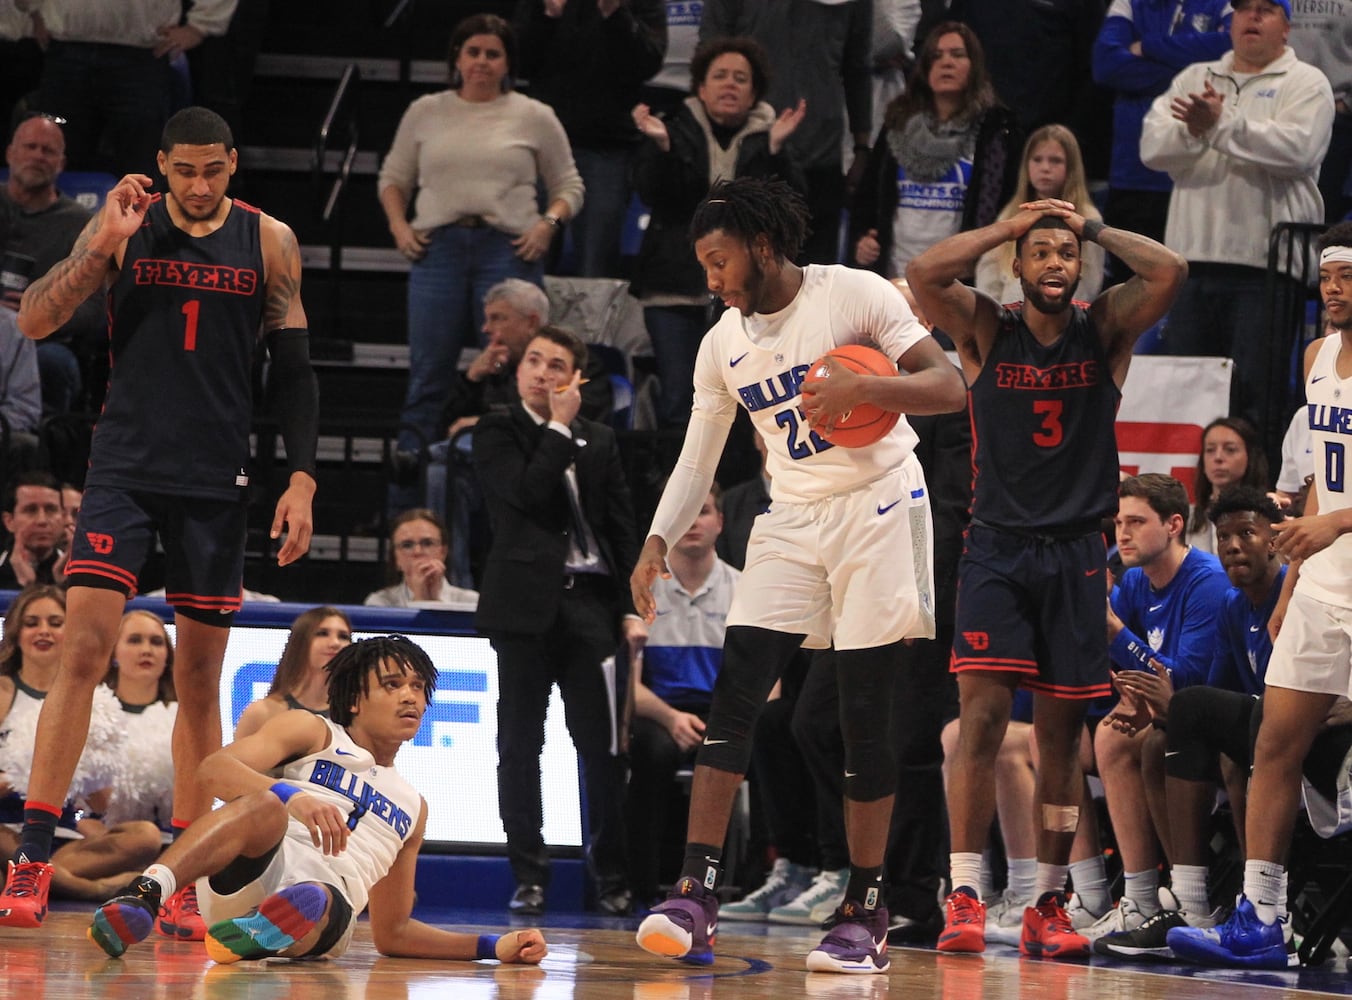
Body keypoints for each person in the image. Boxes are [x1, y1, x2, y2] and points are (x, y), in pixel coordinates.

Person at [632, 175, 967, 975]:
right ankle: (696, 889)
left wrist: (870, 386)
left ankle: (866, 908)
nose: (710, 280)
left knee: (862, 714)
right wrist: (654, 539)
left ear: (762, 245)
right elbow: (696, 455)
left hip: (881, 505)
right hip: (791, 515)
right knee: (737, 693)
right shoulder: (723, 343)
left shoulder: (850, 295)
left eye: (718, 262)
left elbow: (951, 387)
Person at [0, 105, 319, 933]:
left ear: (233, 164)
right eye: (185, 170)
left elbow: (293, 372)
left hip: (220, 475)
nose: (200, 184)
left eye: (214, 170)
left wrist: (304, 478)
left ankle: (180, 874)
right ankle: (33, 859)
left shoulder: (271, 241)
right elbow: (35, 320)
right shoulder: (122, 228)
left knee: (199, 684)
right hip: (126, 468)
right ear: (161, 164)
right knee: (82, 653)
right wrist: (102, 244)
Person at [906, 197, 1187, 958]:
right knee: (982, 723)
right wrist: (1011, 224)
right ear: (1019, 266)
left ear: (1082, 265)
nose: (1056, 264)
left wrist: (1089, 223)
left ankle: (1048, 903)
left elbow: (1171, 269)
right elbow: (924, 271)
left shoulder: (1105, 329)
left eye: (1066, 253)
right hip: (997, 548)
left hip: (1073, 554)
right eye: (1042, 253)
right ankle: (965, 892)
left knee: (1062, 742)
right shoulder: (985, 328)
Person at [86, 635, 549, 966]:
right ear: (352, 702)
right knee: (264, 805)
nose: (410, 696)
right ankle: (146, 896)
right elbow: (213, 769)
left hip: (325, 915)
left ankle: (256, 935)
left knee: (321, 896)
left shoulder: (414, 806)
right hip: (251, 873)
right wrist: (291, 797)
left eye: (417, 687)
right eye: (392, 685)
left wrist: (491, 947)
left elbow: (393, 933)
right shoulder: (313, 730)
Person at [1165, 221, 1352, 970]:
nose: (1333, 289)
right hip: (1325, 579)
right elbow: (1316, 487)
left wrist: (1333, 522)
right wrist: (1294, 582)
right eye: (1328, 277)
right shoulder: (1316, 357)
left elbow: (1330, 507)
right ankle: (1262, 917)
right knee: (1276, 743)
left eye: (1346, 276)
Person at [472, 325, 645, 918]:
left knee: (603, 750)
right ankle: (530, 875)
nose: (543, 373)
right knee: (520, 747)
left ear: (576, 378)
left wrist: (629, 605)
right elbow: (525, 492)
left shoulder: (599, 439)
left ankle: (614, 875)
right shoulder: (497, 429)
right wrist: (555, 428)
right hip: (522, 609)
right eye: (535, 362)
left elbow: (620, 528)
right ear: (519, 371)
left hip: (591, 608)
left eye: (557, 365)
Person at [378, 13, 584, 505]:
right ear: (456, 58)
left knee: (520, 375)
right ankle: (409, 517)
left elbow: (569, 187)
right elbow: (392, 178)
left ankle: (518, 498)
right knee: (428, 379)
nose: (482, 62)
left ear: (507, 62)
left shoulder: (533, 114)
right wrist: (399, 227)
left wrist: (546, 225)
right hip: (439, 250)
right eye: (473, 52)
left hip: (507, 250)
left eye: (493, 53)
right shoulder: (425, 111)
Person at [1093, 486, 1285, 960]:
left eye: (1247, 534)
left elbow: (1193, 683)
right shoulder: (1234, 605)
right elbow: (1209, 694)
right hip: (1258, 731)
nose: (1233, 546)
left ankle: (1264, 908)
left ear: (1277, 542)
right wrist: (1149, 701)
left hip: (1304, 740)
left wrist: (1121, 638)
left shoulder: (1242, 589)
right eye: (1224, 537)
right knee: (1153, 736)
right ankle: (1176, 900)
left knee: (1218, 741)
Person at [1139, 0, 1334, 424]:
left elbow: (1297, 150)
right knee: (1187, 392)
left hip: (1266, 269)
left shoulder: (1307, 82)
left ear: (1286, 26)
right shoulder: (1194, 77)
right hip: (1191, 265)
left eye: (1266, 9)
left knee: (1252, 397)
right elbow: (1151, 148)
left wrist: (1217, 125)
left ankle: (1254, 489)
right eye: (1244, 9)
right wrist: (1194, 128)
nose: (1252, 17)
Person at [630, 35, 806, 428]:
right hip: (672, 288)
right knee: (680, 397)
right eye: (720, 76)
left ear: (754, 91)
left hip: (746, 296)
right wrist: (661, 147)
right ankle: (682, 489)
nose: (730, 85)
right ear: (700, 87)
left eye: (741, 79)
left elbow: (789, 214)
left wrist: (775, 151)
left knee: (743, 400)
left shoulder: (771, 136)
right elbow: (650, 192)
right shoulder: (671, 129)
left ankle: (734, 490)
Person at [1085, 474, 1227, 943]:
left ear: (1173, 525)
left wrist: (1115, 634)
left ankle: (1167, 898)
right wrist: (1126, 686)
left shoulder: (1205, 580)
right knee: (1068, 738)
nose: (1121, 533)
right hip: (1166, 719)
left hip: (1214, 726)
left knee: (1117, 738)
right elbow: (1124, 674)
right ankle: (1116, 898)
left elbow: (1185, 681)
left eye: (1136, 522)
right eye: (1119, 522)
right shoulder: (1133, 584)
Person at [0, 586, 162, 903]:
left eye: (56, 623)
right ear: (17, 632)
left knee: (145, 836)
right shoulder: (3, 691)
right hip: (7, 831)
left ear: (72, 632)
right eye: (32, 622)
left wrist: (87, 778)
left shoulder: (95, 699)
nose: (43, 631)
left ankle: (31, 878)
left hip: (68, 841)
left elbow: (102, 806)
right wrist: (19, 779)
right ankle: (93, 889)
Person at [626, 486, 740, 906]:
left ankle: (746, 885)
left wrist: (726, 722)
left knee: (757, 750)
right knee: (648, 752)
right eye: (685, 514)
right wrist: (672, 718)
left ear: (720, 522)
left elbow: (771, 690)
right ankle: (640, 888)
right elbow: (628, 691)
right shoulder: (644, 589)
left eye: (704, 511)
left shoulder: (743, 588)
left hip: (725, 713)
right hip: (660, 713)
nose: (693, 522)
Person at [699, 0, 874, 265]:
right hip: (749, 155)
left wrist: (862, 146)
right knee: (746, 273)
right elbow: (709, 57)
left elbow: (858, 66)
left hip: (820, 155)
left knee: (816, 277)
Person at [849, 21, 1021, 282]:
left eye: (957, 54)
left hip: (959, 283)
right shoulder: (897, 124)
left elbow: (1005, 209)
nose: (946, 63)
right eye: (936, 56)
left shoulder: (995, 131)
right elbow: (867, 199)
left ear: (974, 65)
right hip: (895, 277)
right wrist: (862, 239)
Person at [513, 0, 667, 279]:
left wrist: (614, 15)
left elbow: (648, 61)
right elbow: (520, 62)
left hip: (607, 146)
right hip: (543, 146)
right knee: (529, 261)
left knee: (596, 268)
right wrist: (549, 16)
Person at [1091, 0, 1232, 265]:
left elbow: (1230, 50)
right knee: (1127, 287)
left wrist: (1147, 47)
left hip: (1195, 181)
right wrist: (1191, 75)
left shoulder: (1224, 5)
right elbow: (1105, 64)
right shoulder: (1129, 4)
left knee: (1181, 284)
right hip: (1132, 174)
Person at [30, 0, 239, 178]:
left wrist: (199, 27)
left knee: (142, 169)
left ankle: (145, 226)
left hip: (140, 58)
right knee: (53, 161)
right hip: (66, 52)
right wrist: (32, 11)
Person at [0, 111, 108, 414]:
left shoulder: (82, 225)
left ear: (61, 163)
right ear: (10, 153)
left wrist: (40, 314)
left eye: (48, 151)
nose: (38, 156)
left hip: (44, 342)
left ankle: (39, 454)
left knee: (54, 363)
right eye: (30, 146)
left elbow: (92, 310)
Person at [975, 125, 1105, 306]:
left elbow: (1090, 280)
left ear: (1071, 167)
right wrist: (996, 312)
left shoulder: (1087, 218)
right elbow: (988, 268)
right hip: (1008, 314)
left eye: (1055, 161)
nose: (1045, 168)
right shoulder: (1011, 213)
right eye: (1037, 160)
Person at [100, 610, 177, 835]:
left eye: (156, 642)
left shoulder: (183, 719)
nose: (146, 650)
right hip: (101, 838)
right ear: (114, 652)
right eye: (134, 640)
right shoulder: (92, 712)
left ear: (167, 656)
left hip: (172, 840)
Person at [233, 607, 352, 740]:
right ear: (300, 642)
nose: (335, 643)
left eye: (343, 636)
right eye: (322, 633)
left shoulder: (355, 716)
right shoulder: (262, 713)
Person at [1185, 416, 1269, 554]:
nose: (1218, 457)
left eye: (1230, 450)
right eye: (1210, 450)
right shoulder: (1188, 518)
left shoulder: (1268, 515)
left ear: (1250, 457)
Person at [363, 510, 479, 609]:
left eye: (427, 543)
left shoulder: (471, 602)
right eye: (407, 545)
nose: (417, 552)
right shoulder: (379, 603)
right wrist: (420, 597)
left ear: (443, 552)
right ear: (396, 558)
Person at [0, 471, 65, 589]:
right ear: (9, 521)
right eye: (31, 510)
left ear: (63, 517)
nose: (42, 520)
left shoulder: (80, 576)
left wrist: (67, 585)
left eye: (51, 509)